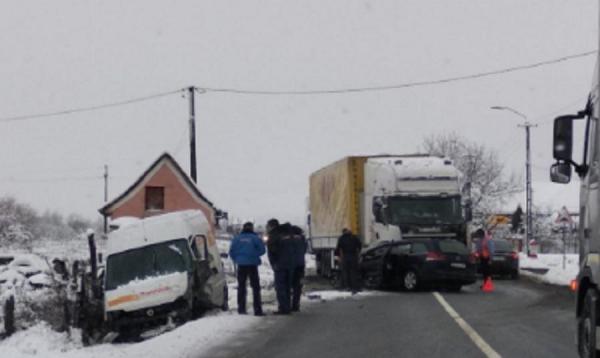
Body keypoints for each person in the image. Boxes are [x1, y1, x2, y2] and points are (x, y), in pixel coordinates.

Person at [229, 222, 266, 316]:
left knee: (241, 287)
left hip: (241, 265)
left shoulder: (237, 238)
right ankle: (257, 310)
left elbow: (232, 251)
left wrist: (237, 259)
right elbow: (262, 250)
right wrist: (254, 255)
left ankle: (241, 309)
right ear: (252, 228)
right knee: (255, 288)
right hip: (253, 265)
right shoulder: (255, 238)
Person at [266, 219, 296, 314]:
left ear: (271, 226)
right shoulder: (288, 233)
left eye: (268, 226)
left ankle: (283, 308)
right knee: (287, 286)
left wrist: (274, 264)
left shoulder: (273, 235)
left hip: (280, 265)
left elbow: (272, 252)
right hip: (290, 264)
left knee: (280, 287)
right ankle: (287, 306)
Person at [335, 228, 362, 293]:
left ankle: (347, 286)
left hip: (345, 257)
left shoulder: (341, 238)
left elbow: (338, 248)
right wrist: (357, 252)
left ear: (343, 232)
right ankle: (354, 286)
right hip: (353, 256)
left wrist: (338, 256)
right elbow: (359, 245)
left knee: (345, 272)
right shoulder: (354, 237)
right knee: (353, 272)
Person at [290, 225, 308, 312]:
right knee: (298, 286)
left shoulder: (290, 240)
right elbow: (304, 250)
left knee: (289, 285)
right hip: (301, 265)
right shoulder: (303, 240)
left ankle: (288, 304)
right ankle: (296, 305)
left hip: (291, 265)